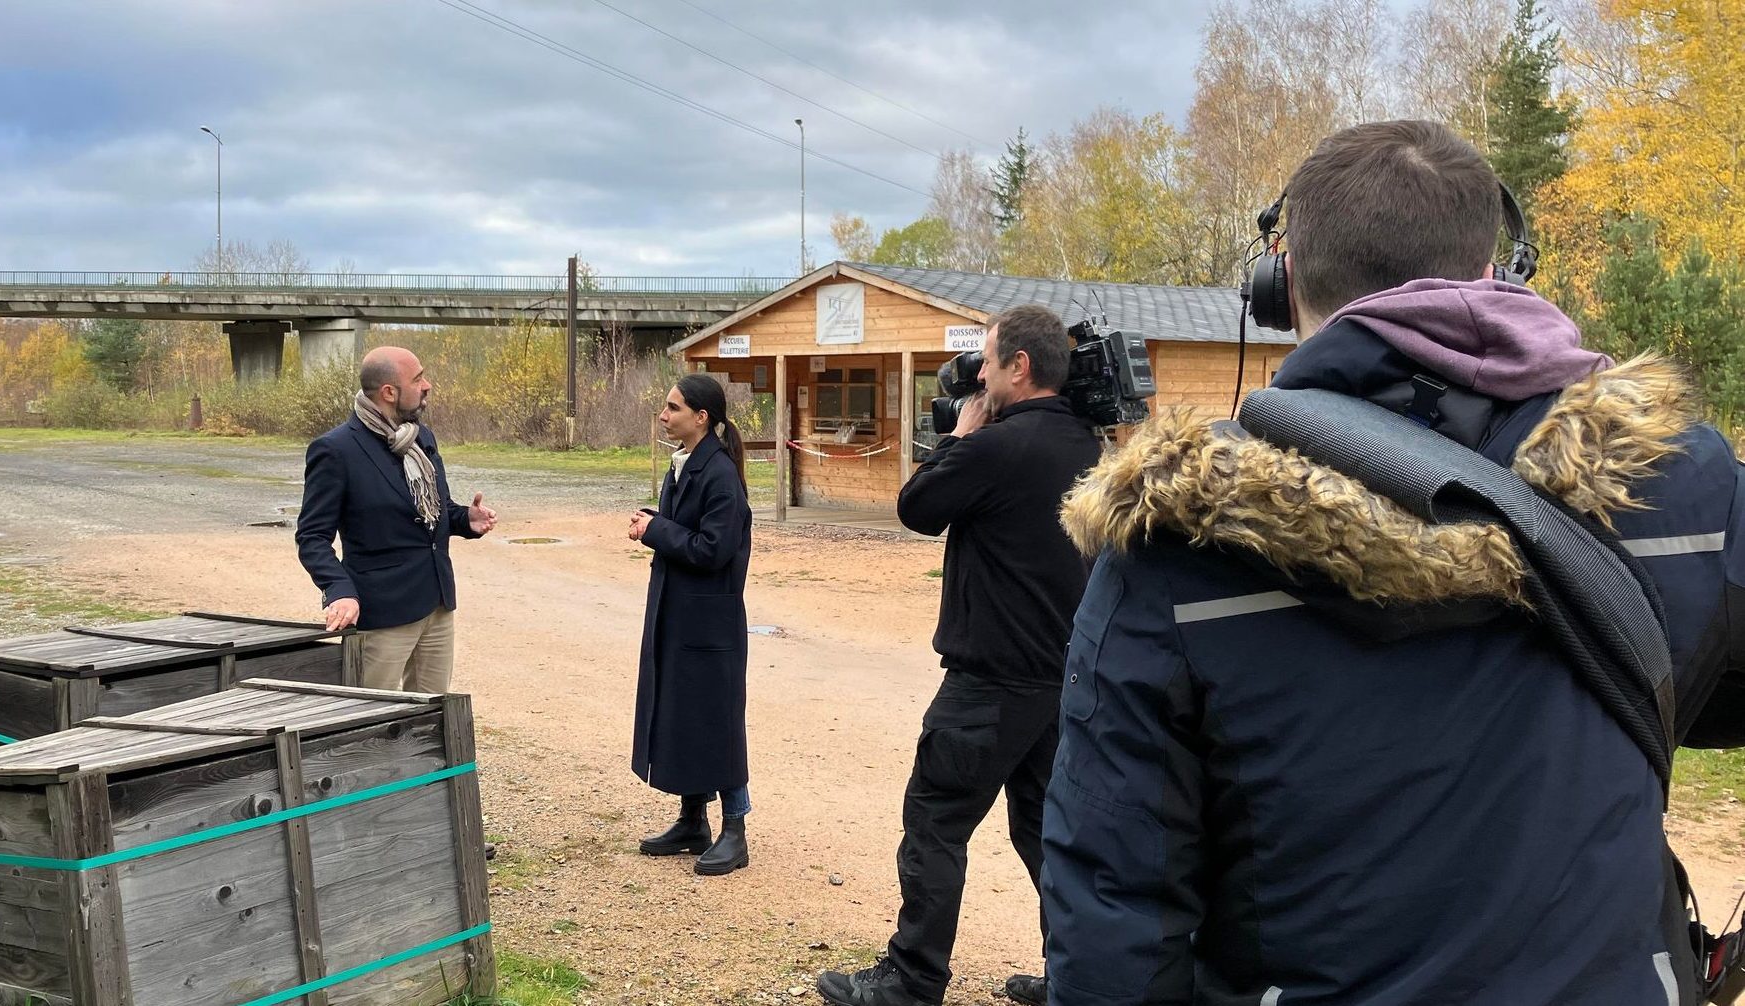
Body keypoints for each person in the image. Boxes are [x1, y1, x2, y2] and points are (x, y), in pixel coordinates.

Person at [1044, 119, 1745, 1005]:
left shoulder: (1177, 537)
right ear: (1499, 271)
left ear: (1281, 277)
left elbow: (1115, 905)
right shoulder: (1678, 478)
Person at [817, 304, 1102, 1006]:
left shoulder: (994, 446)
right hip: (1058, 678)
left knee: (935, 821)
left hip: (991, 680)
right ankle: (1075, 976)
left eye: (987, 357)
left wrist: (959, 436)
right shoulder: (1085, 444)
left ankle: (911, 980)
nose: (976, 371)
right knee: (1045, 833)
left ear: (1019, 366)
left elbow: (916, 508)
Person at [295, 345, 497, 693]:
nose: (427, 385)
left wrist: (466, 520)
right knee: (372, 722)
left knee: (431, 722)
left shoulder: (422, 438)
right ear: (389, 392)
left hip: (436, 603)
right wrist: (339, 590)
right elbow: (312, 537)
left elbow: (435, 510)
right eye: (417, 379)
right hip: (382, 612)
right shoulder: (336, 450)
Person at [630, 373, 755, 877]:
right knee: (683, 713)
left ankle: (735, 830)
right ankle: (692, 821)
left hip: (711, 624)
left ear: (701, 417)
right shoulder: (685, 464)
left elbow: (712, 549)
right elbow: (687, 531)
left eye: (673, 408)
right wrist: (655, 522)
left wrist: (655, 530)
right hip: (680, 613)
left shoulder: (720, 473)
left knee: (719, 723)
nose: (664, 415)